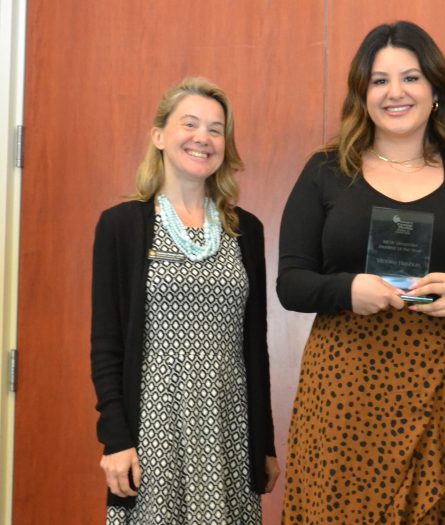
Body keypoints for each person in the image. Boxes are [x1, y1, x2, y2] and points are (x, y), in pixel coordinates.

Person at [277, 20, 445, 524]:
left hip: (442, 384)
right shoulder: (325, 171)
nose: (395, 92)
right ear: (362, 95)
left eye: (410, 77)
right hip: (345, 385)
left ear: (435, 89)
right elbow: (291, 282)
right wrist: (347, 289)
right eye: (379, 80)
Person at [90, 77, 280, 524]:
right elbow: (106, 345)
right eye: (190, 124)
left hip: (228, 426)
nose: (203, 138)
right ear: (159, 136)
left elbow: (256, 348)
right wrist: (116, 439)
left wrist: (264, 444)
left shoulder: (246, 230)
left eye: (216, 129)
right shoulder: (122, 226)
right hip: (153, 425)